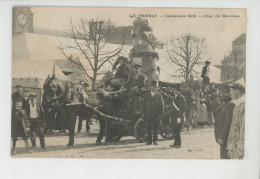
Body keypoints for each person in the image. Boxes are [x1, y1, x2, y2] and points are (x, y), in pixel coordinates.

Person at [227, 82, 245, 159]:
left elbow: (244, 128)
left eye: (231, 91)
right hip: (235, 146)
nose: (229, 93)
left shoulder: (244, 105)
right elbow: (232, 127)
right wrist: (230, 146)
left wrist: (241, 147)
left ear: (237, 91)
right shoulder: (237, 105)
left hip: (241, 148)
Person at [214, 89, 235, 159]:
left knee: (225, 158)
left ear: (230, 94)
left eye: (226, 92)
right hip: (221, 138)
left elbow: (227, 123)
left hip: (226, 138)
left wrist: (222, 137)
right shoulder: (224, 104)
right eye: (222, 92)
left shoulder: (231, 105)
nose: (223, 94)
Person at [144, 80, 164, 145]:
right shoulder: (146, 95)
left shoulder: (159, 95)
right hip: (148, 114)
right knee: (148, 127)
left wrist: (160, 115)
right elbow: (143, 105)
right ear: (150, 87)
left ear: (156, 88)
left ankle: (155, 140)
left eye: (154, 87)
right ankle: (149, 141)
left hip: (156, 114)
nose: (153, 88)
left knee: (156, 127)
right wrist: (143, 114)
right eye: (152, 86)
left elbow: (161, 106)